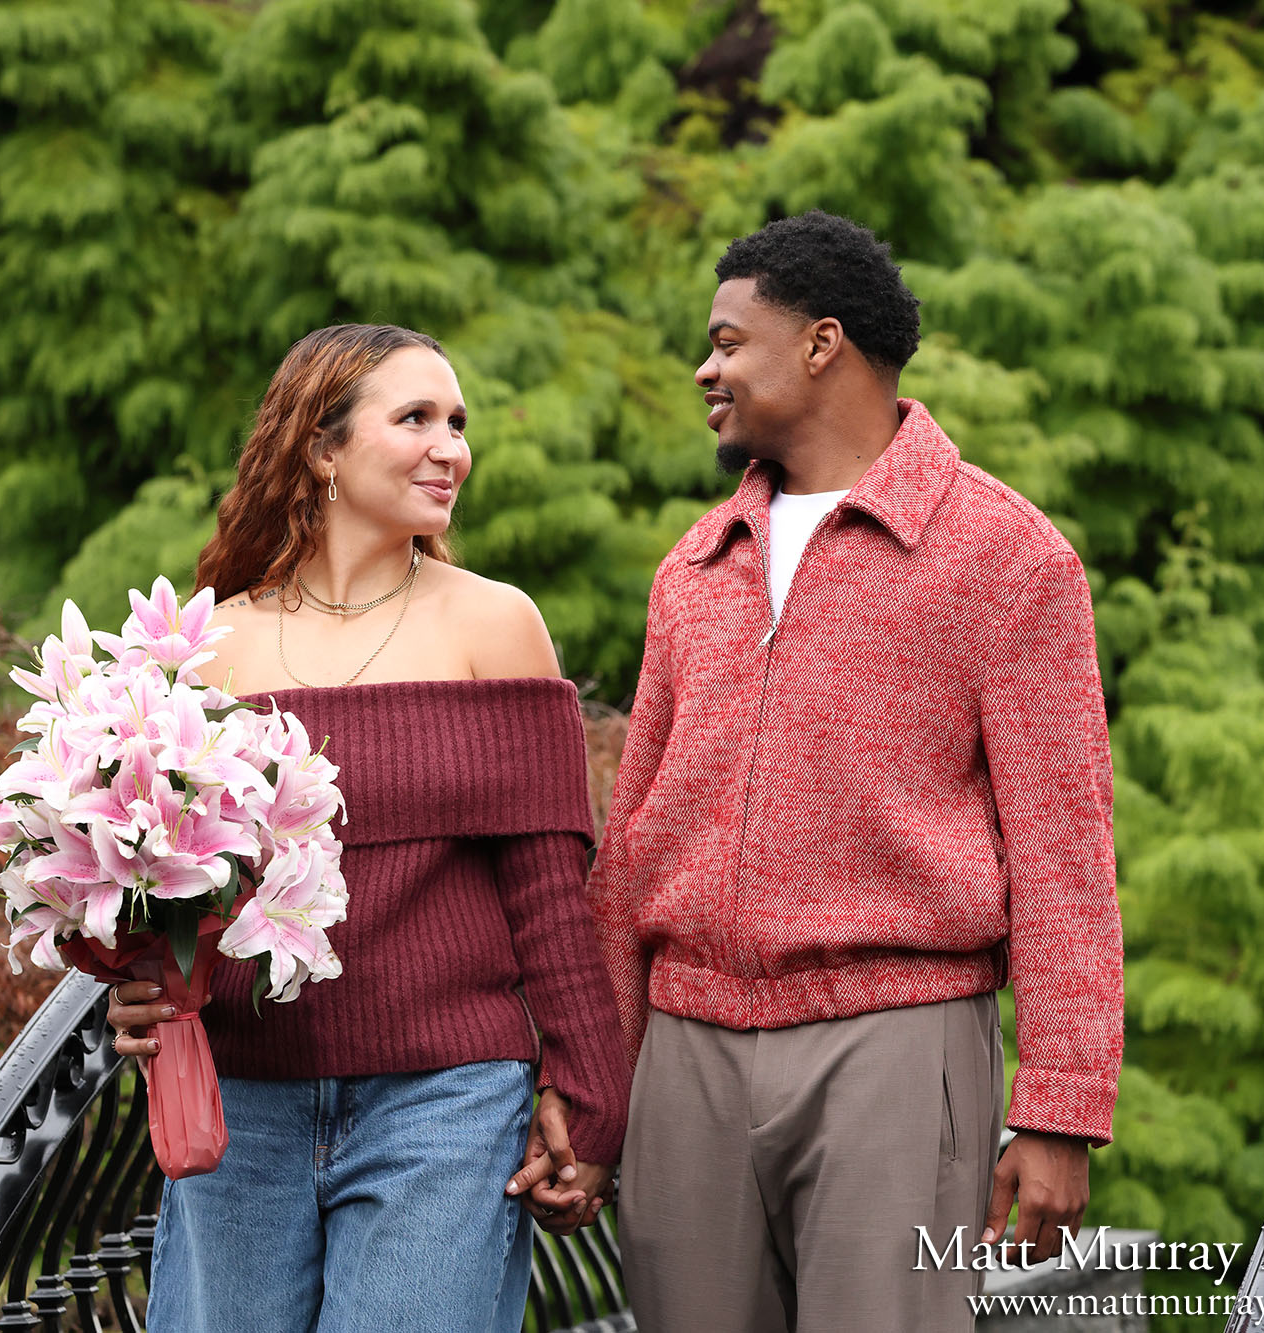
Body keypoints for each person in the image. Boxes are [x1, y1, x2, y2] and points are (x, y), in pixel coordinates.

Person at [589, 210, 1126, 1331]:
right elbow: (632, 851)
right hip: (684, 1055)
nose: (706, 368)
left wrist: (1059, 1108)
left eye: (729, 341)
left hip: (897, 1046)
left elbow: (1062, 856)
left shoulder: (1006, 557)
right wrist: (597, 1087)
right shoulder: (693, 567)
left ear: (821, 342)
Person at [105, 323, 629, 1333]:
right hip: (238, 1106)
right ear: (321, 446)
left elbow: (551, 899)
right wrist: (126, 984)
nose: (451, 447)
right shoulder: (210, 643)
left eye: (458, 422)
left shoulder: (494, 624)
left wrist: (590, 1099)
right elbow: (149, 883)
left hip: (445, 1107)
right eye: (416, 419)